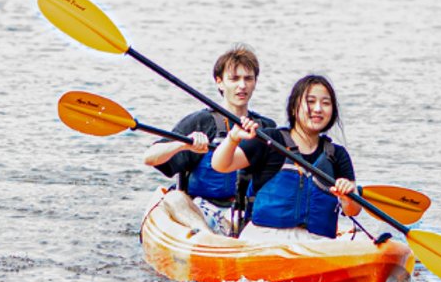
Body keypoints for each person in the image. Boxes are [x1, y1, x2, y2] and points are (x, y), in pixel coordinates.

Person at [142, 44, 276, 237]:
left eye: (248, 78)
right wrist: (183, 144)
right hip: (203, 212)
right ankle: (209, 238)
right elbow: (150, 157)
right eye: (234, 79)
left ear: (255, 82)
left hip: (247, 215)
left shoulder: (264, 128)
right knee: (174, 199)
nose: (242, 85)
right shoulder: (201, 122)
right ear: (220, 82)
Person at [211, 74, 361, 241]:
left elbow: (353, 210)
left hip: (317, 244)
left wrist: (347, 197)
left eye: (326, 103)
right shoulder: (270, 141)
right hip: (265, 238)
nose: (318, 109)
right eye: (310, 102)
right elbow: (221, 165)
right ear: (293, 108)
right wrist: (233, 138)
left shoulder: (337, 155)